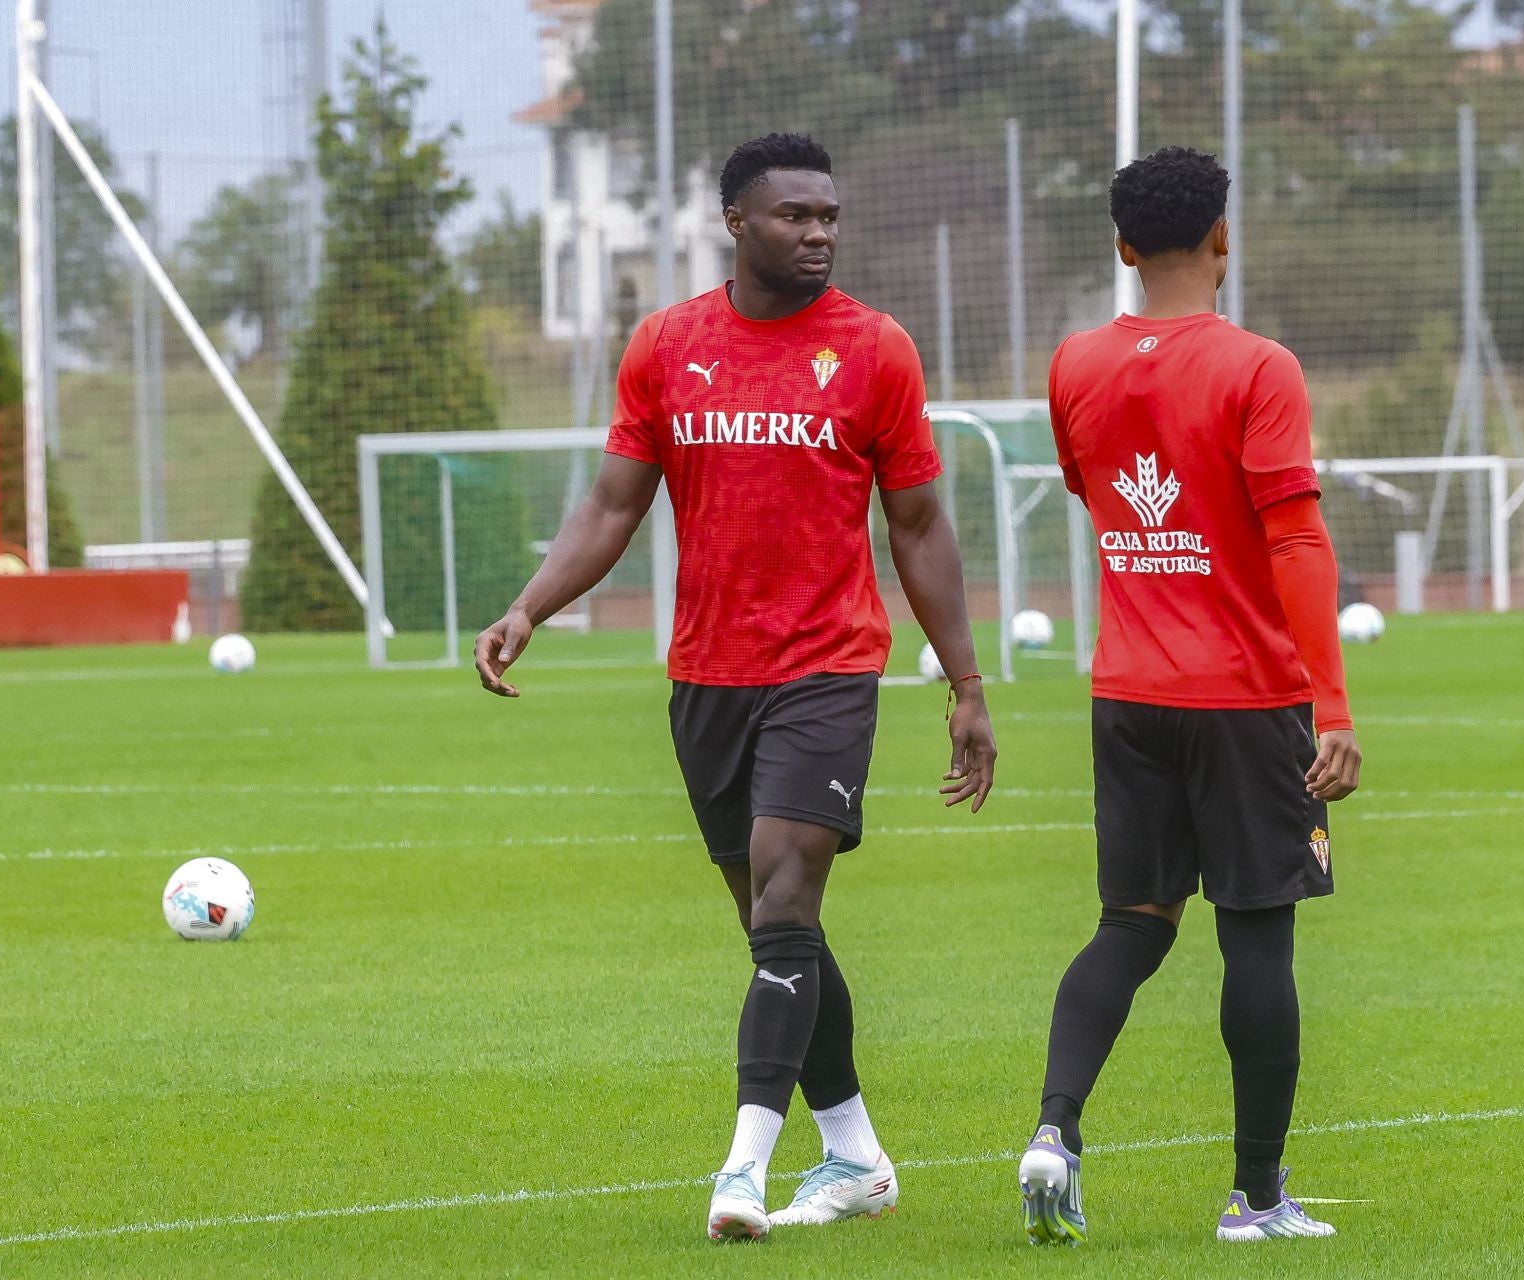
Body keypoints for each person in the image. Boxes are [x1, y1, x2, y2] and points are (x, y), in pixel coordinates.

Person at [474, 133, 997, 1243]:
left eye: (829, 217)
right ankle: (855, 1152)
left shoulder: (875, 349)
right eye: (794, 216)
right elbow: (614, 505)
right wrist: (530, 605)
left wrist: (966, 681)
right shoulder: (668, 346)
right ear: (736, 224)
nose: (818, 234)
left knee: (783, 902)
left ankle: (742, 1169)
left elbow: (917, 524)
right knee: (779, 937)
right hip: (707, 677)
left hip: (827, 668)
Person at [1015, 146, 1361, 1246]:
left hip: (1127, 689)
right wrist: (1335, 707)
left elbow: (1096, 492)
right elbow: (1296, 537)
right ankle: (1257, 1197)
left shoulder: (1074, 363)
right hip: (1245, 695)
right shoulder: (1261, 367)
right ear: (1224, 235)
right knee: (1257, 941)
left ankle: (1054, 1132)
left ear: (1122, 245)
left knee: (1130, 923)